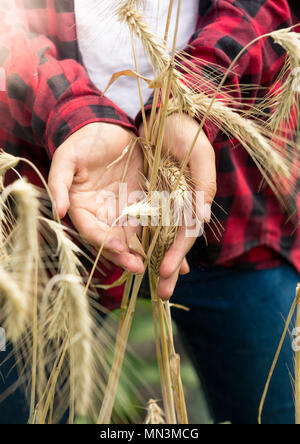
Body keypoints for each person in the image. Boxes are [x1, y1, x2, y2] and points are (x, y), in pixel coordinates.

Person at [0, 0, 299, 424]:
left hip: (233, 194)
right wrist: (74, 114)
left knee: (277, 408)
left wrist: (191, 96)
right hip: (52, 204)